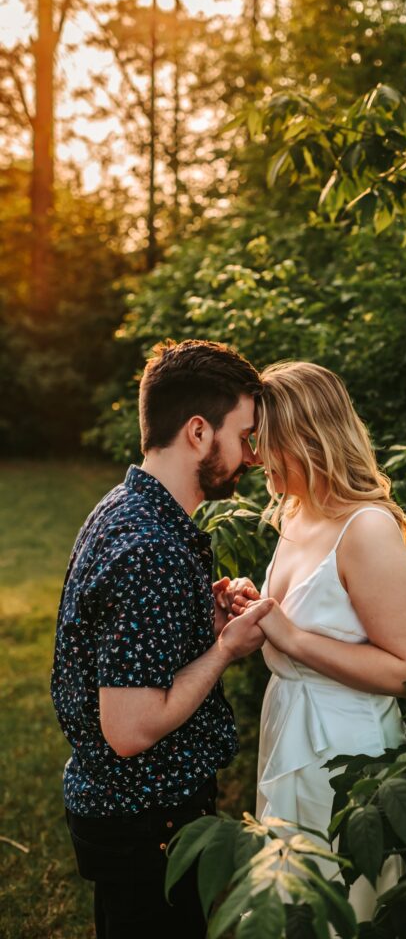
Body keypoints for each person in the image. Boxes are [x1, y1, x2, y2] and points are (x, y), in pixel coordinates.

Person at [50, 339, 273, 939]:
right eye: (245, 435)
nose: (252, 457)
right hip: (146, 819)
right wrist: (226, 651)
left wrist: (207, 632)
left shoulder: (126, 507)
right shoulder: (151, 548)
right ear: (199, 432)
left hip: (126, 811)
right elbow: (129, 729)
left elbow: (129, 657)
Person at [227, 361, 406, 920]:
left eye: (261, 441)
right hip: (288, 729)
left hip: (346, 752)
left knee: (342, 901)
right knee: (290, 899)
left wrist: (290, 635)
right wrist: (255, 604)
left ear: (304, 437)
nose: (252, 457)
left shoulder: (365, 528)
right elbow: (299, 622)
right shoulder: (294, 515)